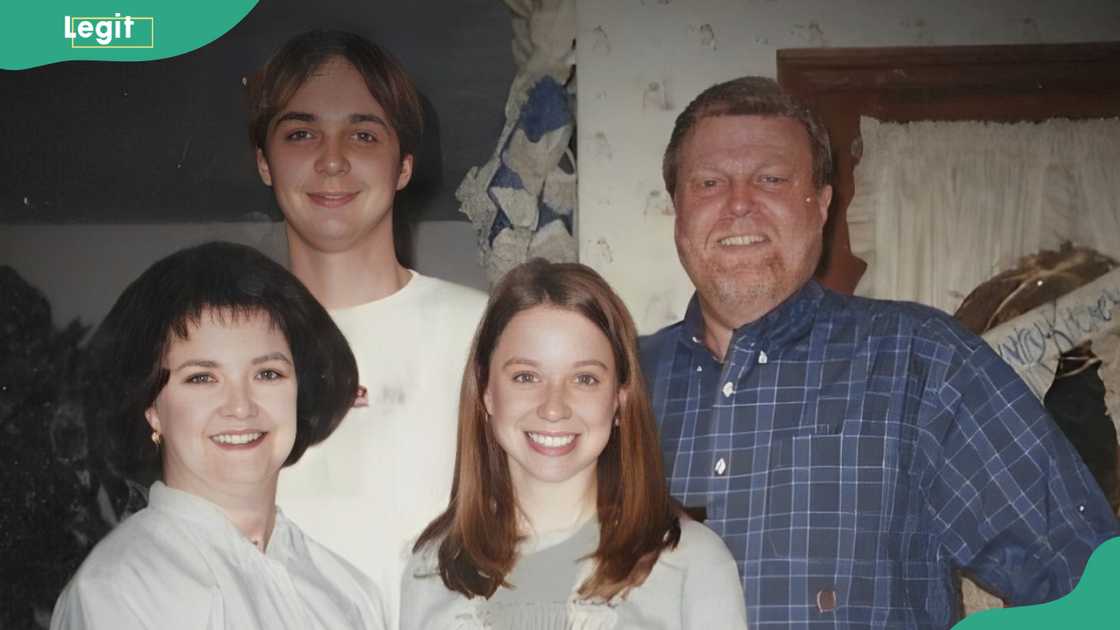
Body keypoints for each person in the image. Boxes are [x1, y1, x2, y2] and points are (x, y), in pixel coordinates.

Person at [639, 76, 1120, 628]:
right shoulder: (608, 383)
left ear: (821, 205)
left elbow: (1093, 587)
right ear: (677, 210)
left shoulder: (926, 363)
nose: (739, 204)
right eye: (708, 183)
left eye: (771, 179)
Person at [246, 30, 487, 629]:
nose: (332, 160)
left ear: (403, 165)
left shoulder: (486, 331)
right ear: (263, 163)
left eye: (363, 134)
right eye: (301, 133)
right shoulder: (223, 346)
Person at [51, 241, 384, 629]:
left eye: (267, 374)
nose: (241, 407)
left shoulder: (348, 592)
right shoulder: (118, 591)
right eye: (202, 378)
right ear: (151, 408)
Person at [401, 259, 748, 630]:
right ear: (486, 391)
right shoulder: (431, 570)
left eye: (584, 379)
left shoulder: (694, 564)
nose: (554, 408)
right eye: (526, 376)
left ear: (620, 398)